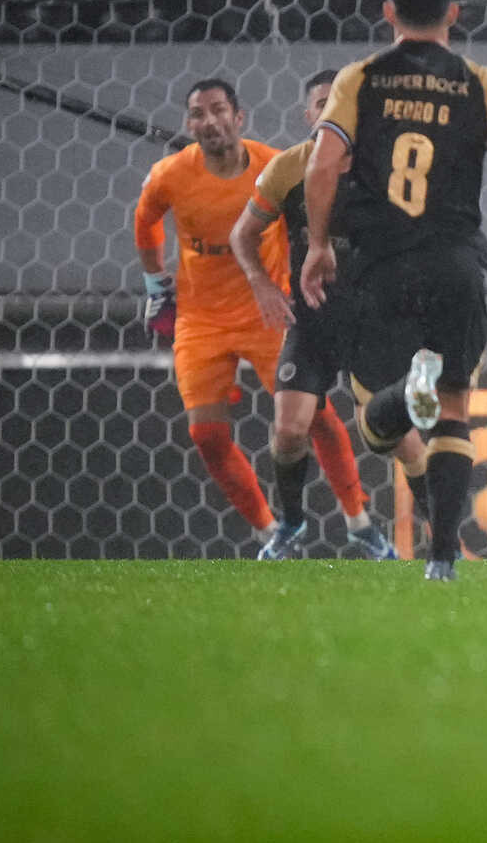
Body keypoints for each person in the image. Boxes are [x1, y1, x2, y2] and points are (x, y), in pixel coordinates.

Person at [299, 0, 487, 581]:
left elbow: (321, 167)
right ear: (455, 13)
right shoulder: (480, 82)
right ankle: (444, 560)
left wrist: (318, 245)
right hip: (454, 265)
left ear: (387, 12)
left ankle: (405, 394)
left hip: (379, 265)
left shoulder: (360, 79)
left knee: (379, 433)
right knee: (454, 410)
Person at [133, 78, 368, 553]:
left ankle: (358, 519)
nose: (209, 120)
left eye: (218, 110)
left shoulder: (273, 165)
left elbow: (312, 217)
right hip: (201, 321)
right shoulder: (170, 175)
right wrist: (156, 283)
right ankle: (270, 531)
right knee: (206, 434)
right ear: (189, 124)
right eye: (198, 113)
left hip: (270, 310)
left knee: (315, 416)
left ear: (238, 118)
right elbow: (145, 220)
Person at [231, 68, 418, 560]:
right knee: (289, 430)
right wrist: (262, 284)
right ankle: (290, 524)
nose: (330, 111)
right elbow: (241, 235)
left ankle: (445, 542)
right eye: (321, 103)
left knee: (397, 438)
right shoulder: (288, 169)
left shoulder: (388, 171)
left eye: (341, 103)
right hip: (312, 321)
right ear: (307, 114)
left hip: (374, 323)